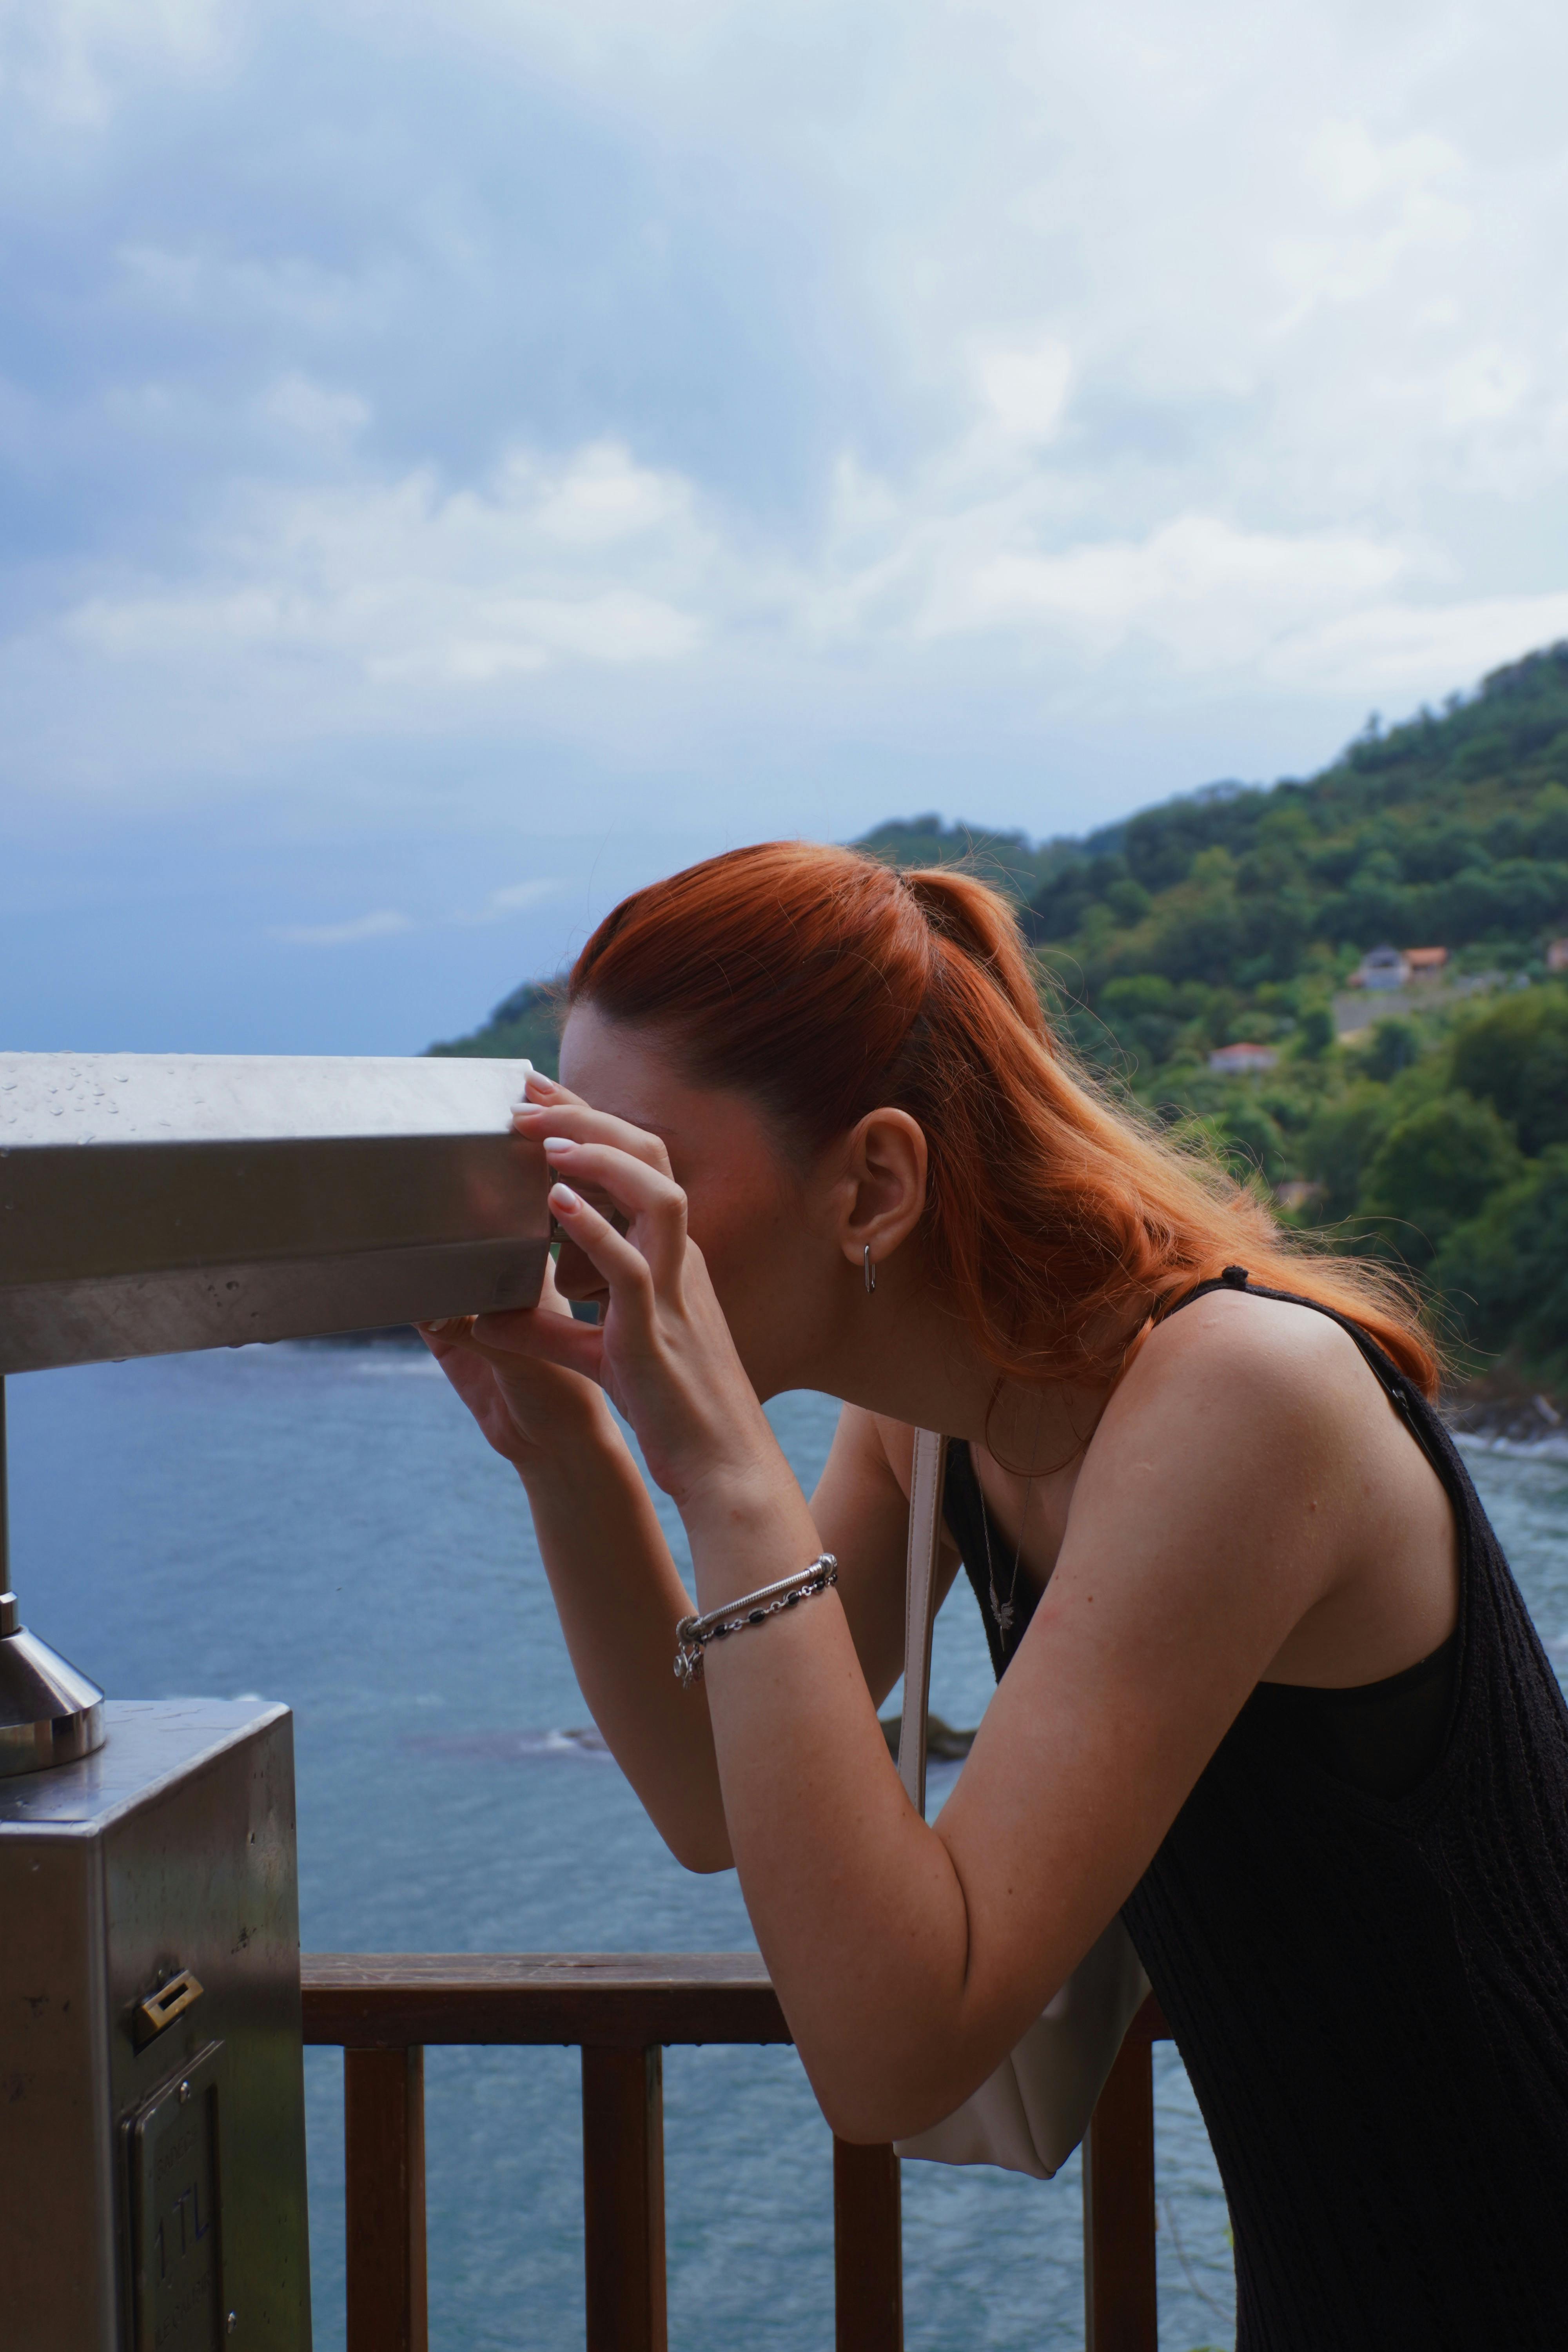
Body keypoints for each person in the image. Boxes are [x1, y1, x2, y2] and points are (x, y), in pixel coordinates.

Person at [423, 841, 1568, 2349]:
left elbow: (897, 2048)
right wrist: (569, 1453)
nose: (596, 1229)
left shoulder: (1239, 1395)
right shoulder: (940, 1426)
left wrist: (725, 1470)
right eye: (574, 1175)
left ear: (877, 1184)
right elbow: (718, 1790)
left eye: (645, 1174)